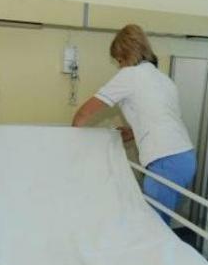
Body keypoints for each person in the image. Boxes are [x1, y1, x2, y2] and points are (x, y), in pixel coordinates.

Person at [72, 24, 196, 223]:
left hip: (165, 161)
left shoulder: (130, 75)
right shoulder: (163, 79)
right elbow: (160, 117)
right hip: (184, 158)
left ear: (126, 54)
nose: (120, 66)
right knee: (159, 222)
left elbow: (85, 112)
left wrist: (72, 138)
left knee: (152, 225)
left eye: (119, 61)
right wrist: (133, 131)